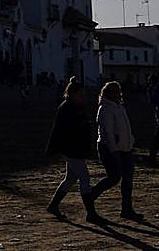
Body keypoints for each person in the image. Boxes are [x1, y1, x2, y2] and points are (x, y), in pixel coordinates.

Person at [44, 77, 101, 222]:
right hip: (71, 149)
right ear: (74, 94)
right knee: (84, 178)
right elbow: (61, 132)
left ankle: (54, 205)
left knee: (70, 178)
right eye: (81, 94)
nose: (84, 97)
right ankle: (90, 212)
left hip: (73, 149)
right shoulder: (67, 109)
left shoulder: (73, 108)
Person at [88, 81, 144, 222]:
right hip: (110, 149)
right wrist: (114, 150)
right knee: (114, 177)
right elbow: (108, 133)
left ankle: (127, 209)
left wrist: (130, 142)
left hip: (125, 148)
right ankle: (90, 196)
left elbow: (125, 128)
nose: (119, 94)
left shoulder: (118, 107)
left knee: (127, 179)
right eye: (116, 92)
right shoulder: (106, 109)